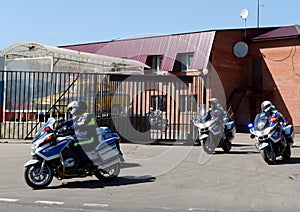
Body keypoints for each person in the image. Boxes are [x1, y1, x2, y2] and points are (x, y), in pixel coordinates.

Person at [62, 101, 99, 169]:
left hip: (90, 138)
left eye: (71, 109)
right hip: (82, 137)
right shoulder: (77, 117)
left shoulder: (87, 116)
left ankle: (86, 162)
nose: (70, 111)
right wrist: (61, 123)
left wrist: (71, 127)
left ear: (76, 108)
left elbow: (81, 123)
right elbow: (68, 121)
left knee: (73, 143)